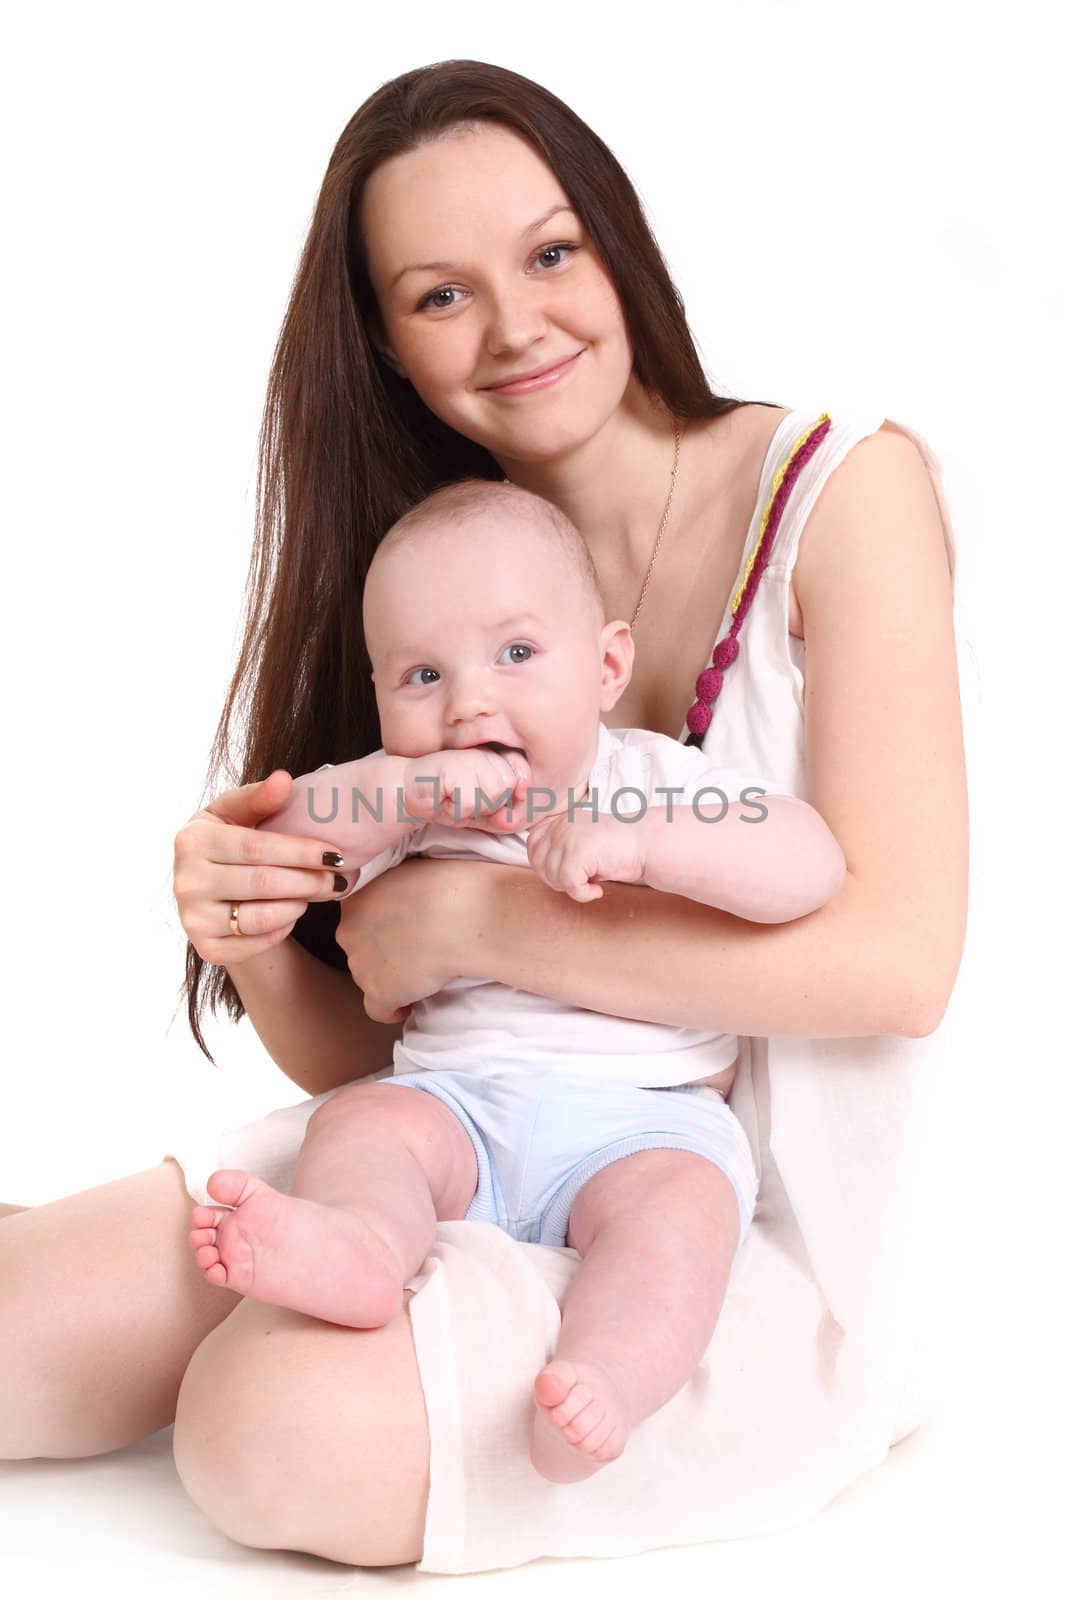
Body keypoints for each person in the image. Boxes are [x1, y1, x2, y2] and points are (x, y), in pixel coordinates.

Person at [0, 60, 968, 1574]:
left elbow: (894, 962)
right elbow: (383, 1046)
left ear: (618, 248)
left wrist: (486, 913)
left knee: (261, 1430)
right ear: (381, 344)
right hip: (456, 1134)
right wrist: (255, 931)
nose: (515, 326)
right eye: (437, 294)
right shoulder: (436, 581)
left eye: (549, 251)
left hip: (732, 1213)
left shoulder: (843, 494)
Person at [185, 478, 847, 1483]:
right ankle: (363, 1247)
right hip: (456, 1105)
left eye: (516, 655)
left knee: (680, 1224)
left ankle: (608, 1377)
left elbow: (808, 862)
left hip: (643, 1122)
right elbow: (286, 841)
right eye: (420, 675)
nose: (468, 702)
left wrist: (646, 845)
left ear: (606, 667)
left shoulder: (652, 779)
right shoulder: (410, 804)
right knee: (360, 1131)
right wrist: (406, 786)